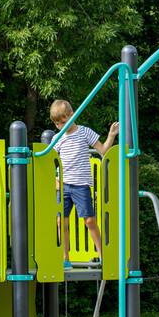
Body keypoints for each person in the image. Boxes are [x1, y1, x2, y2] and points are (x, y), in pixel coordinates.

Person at [49, 99, 119, 269]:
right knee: (61, 222)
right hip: (63, 185)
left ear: (72, 115)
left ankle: (103, 254)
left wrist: (111, 136)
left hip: (81, 186)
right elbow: (49, 161)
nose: (60, 126)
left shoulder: (84, 132)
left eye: (63, 122)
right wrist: (54, 180)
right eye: (57, 123)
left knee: (89, 220)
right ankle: (65, 258)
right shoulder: (57, 138)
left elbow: (103, 151)